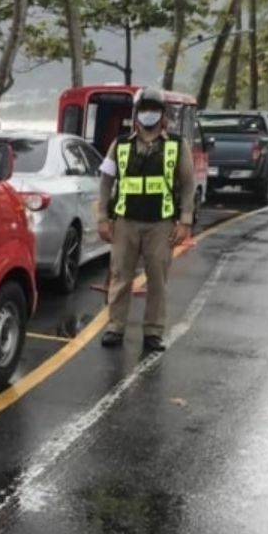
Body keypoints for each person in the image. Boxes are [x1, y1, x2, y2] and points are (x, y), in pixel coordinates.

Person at [96, 87, 195, 352]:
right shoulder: (120, 144)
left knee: (157, 279)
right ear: (136, 113)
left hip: (161, 224)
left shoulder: (176, 145)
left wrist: (185, 221)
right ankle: (115, 327)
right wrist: (102, 218)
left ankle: (153, 332)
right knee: (120, 277)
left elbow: (188, 185)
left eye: (154, 109)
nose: (148, 114)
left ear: (162, 115)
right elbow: (106, 183)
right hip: (125, 222)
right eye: (144, 109)